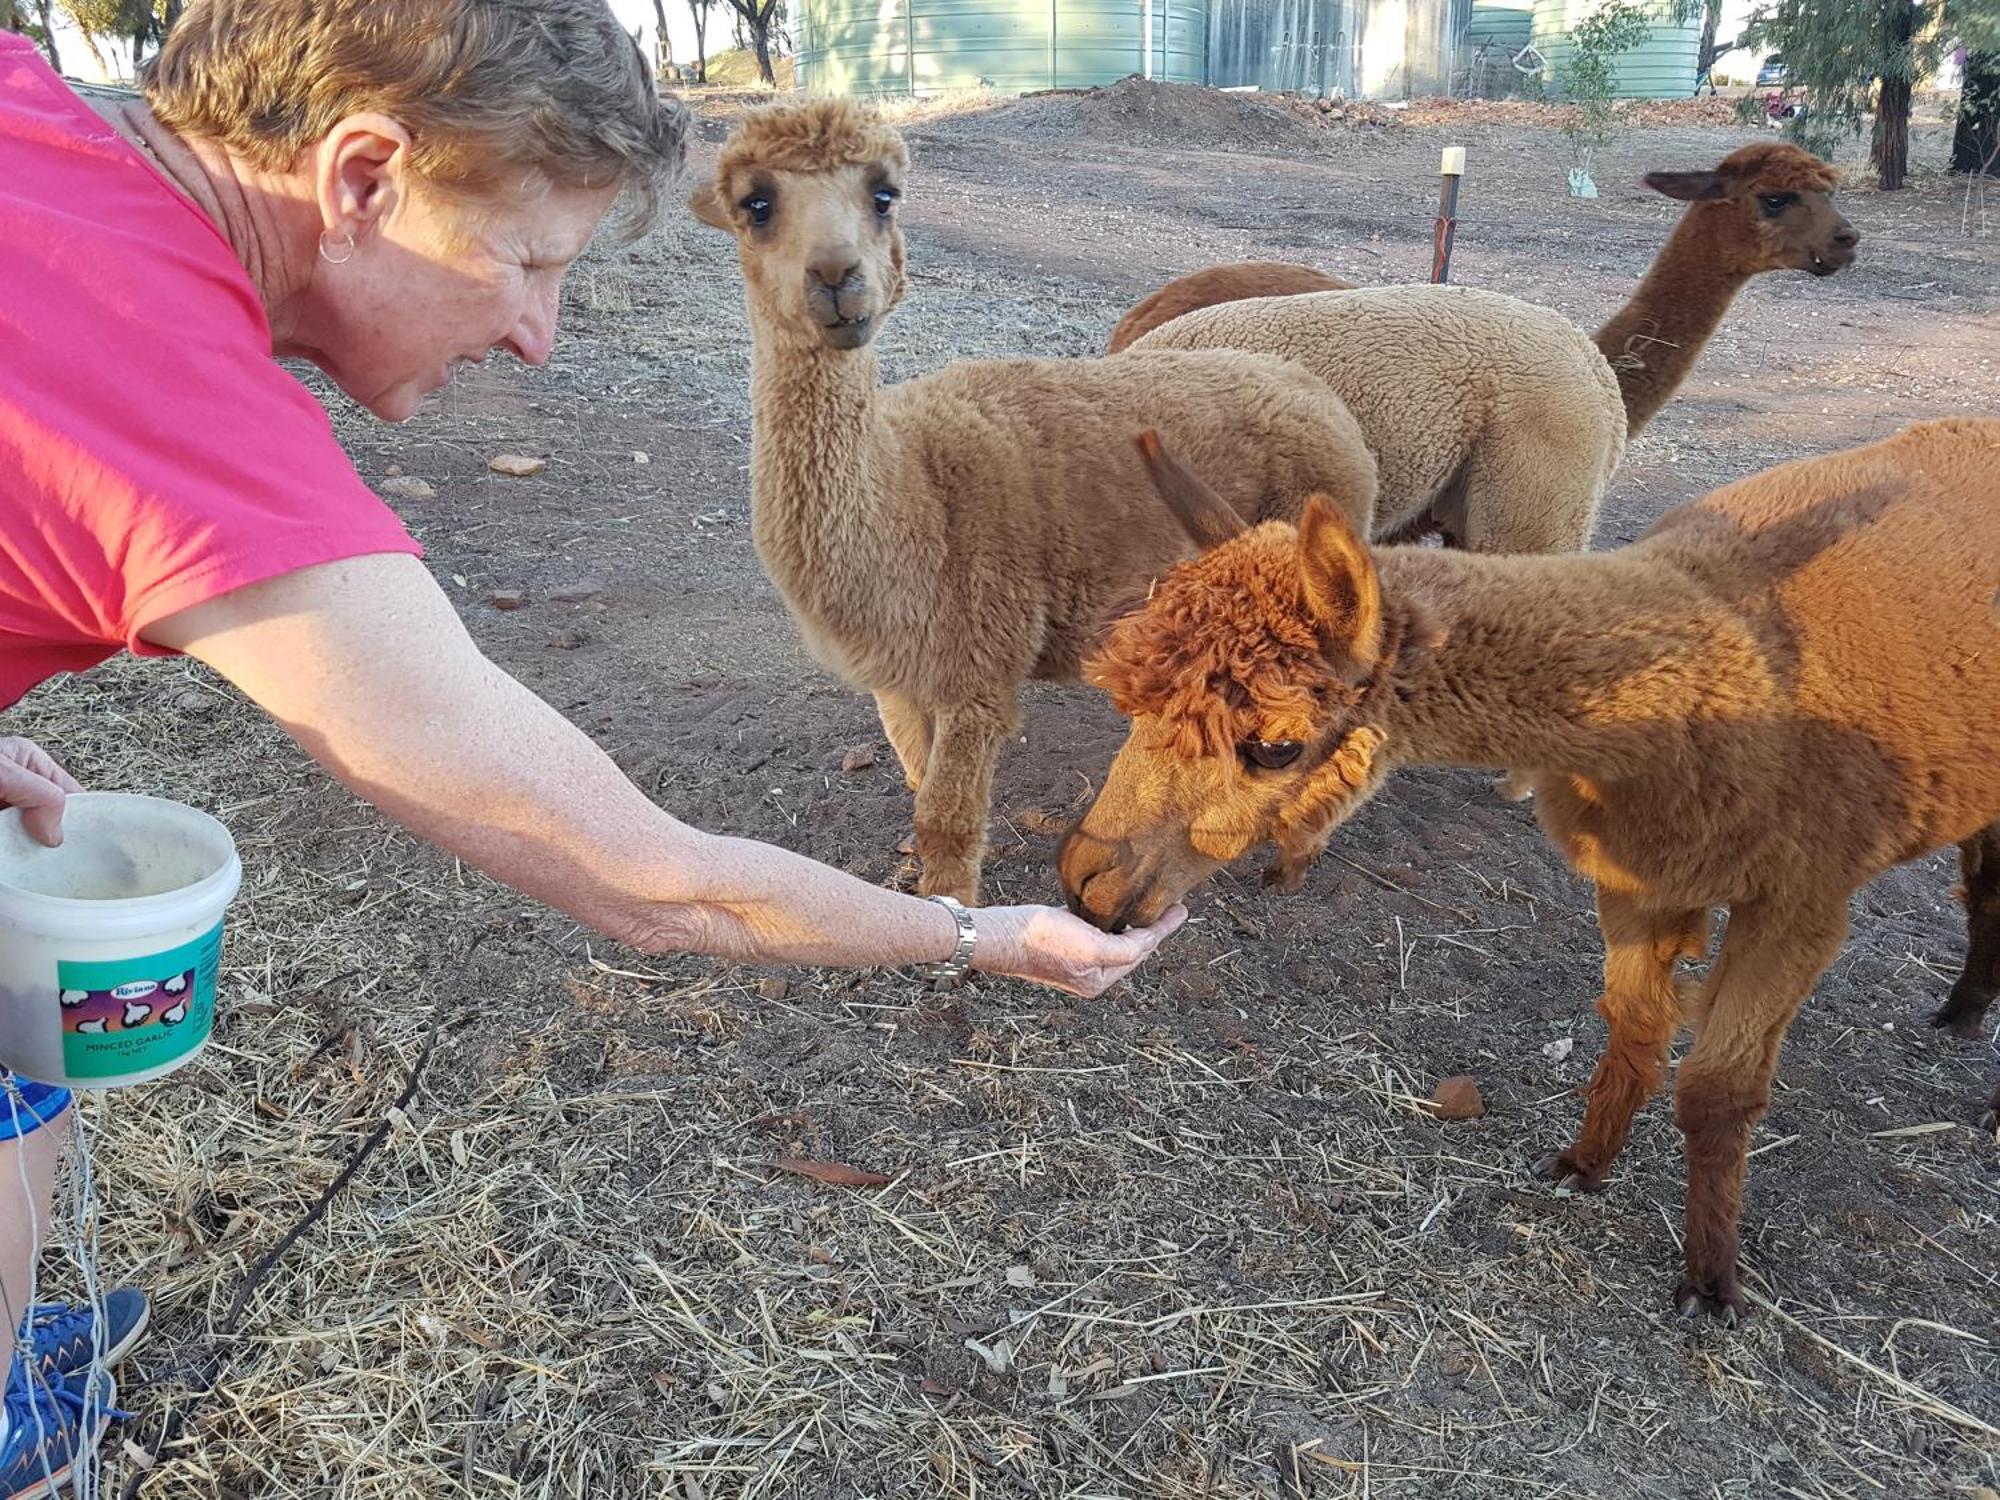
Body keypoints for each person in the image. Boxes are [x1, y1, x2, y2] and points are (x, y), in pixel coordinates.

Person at [0, 2, 1183, 1487]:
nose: (537, 338)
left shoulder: (27, 109)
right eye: (529, 263)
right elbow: (644, 878)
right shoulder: (180, 422)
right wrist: (979, 936)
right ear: (362, 179)